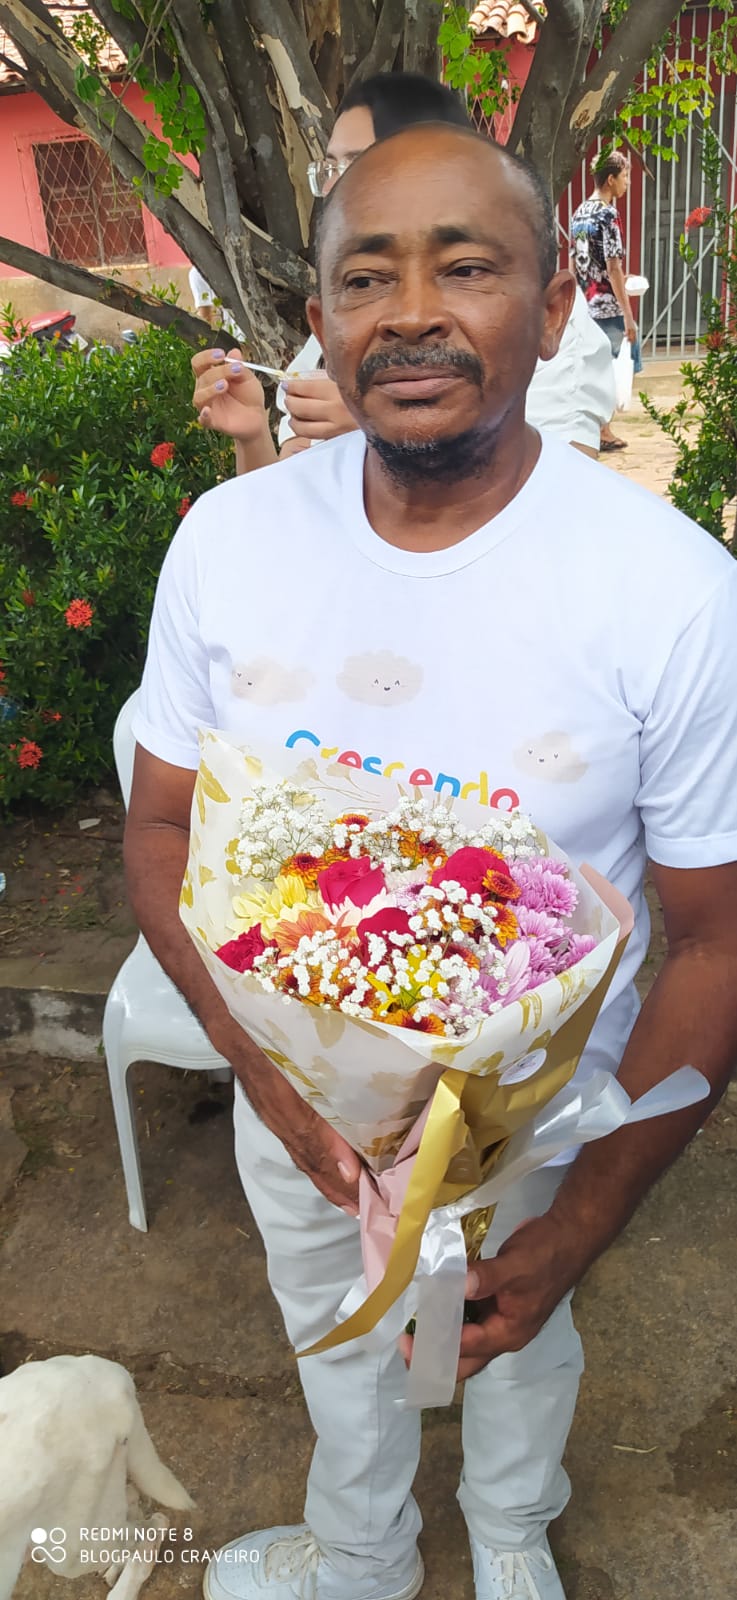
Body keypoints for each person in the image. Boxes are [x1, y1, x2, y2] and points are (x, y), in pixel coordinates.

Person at [125, 125, 737, 1600]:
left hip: (541, 1117)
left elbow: (716, 938)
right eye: (365, 276)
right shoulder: (228, 541)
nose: (409, 312)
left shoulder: (666, 589)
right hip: (296, 1108)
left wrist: (579, 1219)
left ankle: (513, 1528)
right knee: (332, 1329)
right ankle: (364, 1553)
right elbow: (159, 833)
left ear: (554, 306)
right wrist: (269, 1077)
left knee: (519, 1329)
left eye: (465, 267)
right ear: (318, 318)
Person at [192, 72, 614, 471]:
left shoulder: (536, 321)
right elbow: (286, 507)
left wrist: (376, 425)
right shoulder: (347, 322)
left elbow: (560, 497)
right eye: (330, 169)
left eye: (358, 164)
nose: (338, 190)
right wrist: (252, 436)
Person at [570, 151, 639, 452]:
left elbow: (574, 261)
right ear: (611, 179)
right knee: (612, 369)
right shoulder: (608, 215)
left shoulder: (580, 212)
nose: (627, 182)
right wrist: (628, 315)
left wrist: (574, 299)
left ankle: (598, 427)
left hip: (586, 302)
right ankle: (603, 429)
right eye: (625, 176)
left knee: (591, 369)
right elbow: (613, 267)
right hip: (607, 306)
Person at [188, 264, 246, 344]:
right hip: (243, 336)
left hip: (236, 338)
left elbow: (206, 319)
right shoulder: (197, 273)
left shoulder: (198, 272)